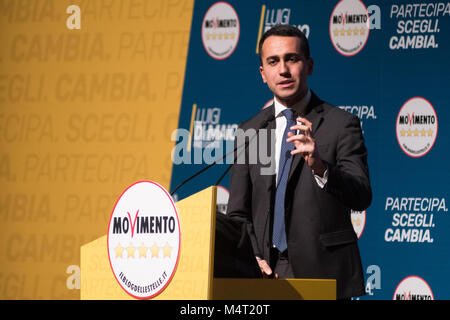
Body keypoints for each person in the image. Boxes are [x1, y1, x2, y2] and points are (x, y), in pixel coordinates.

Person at [226, 24, 372, 299]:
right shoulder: (249, 131)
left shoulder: (341, 124)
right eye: (273, 61)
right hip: (264, 274)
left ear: (309, 65)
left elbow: (361, 195)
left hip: (323, 271)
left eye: (291, 59)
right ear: (263, 74)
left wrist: (319, 165)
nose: (283, 69)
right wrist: (253, 257)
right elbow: (238, 213)